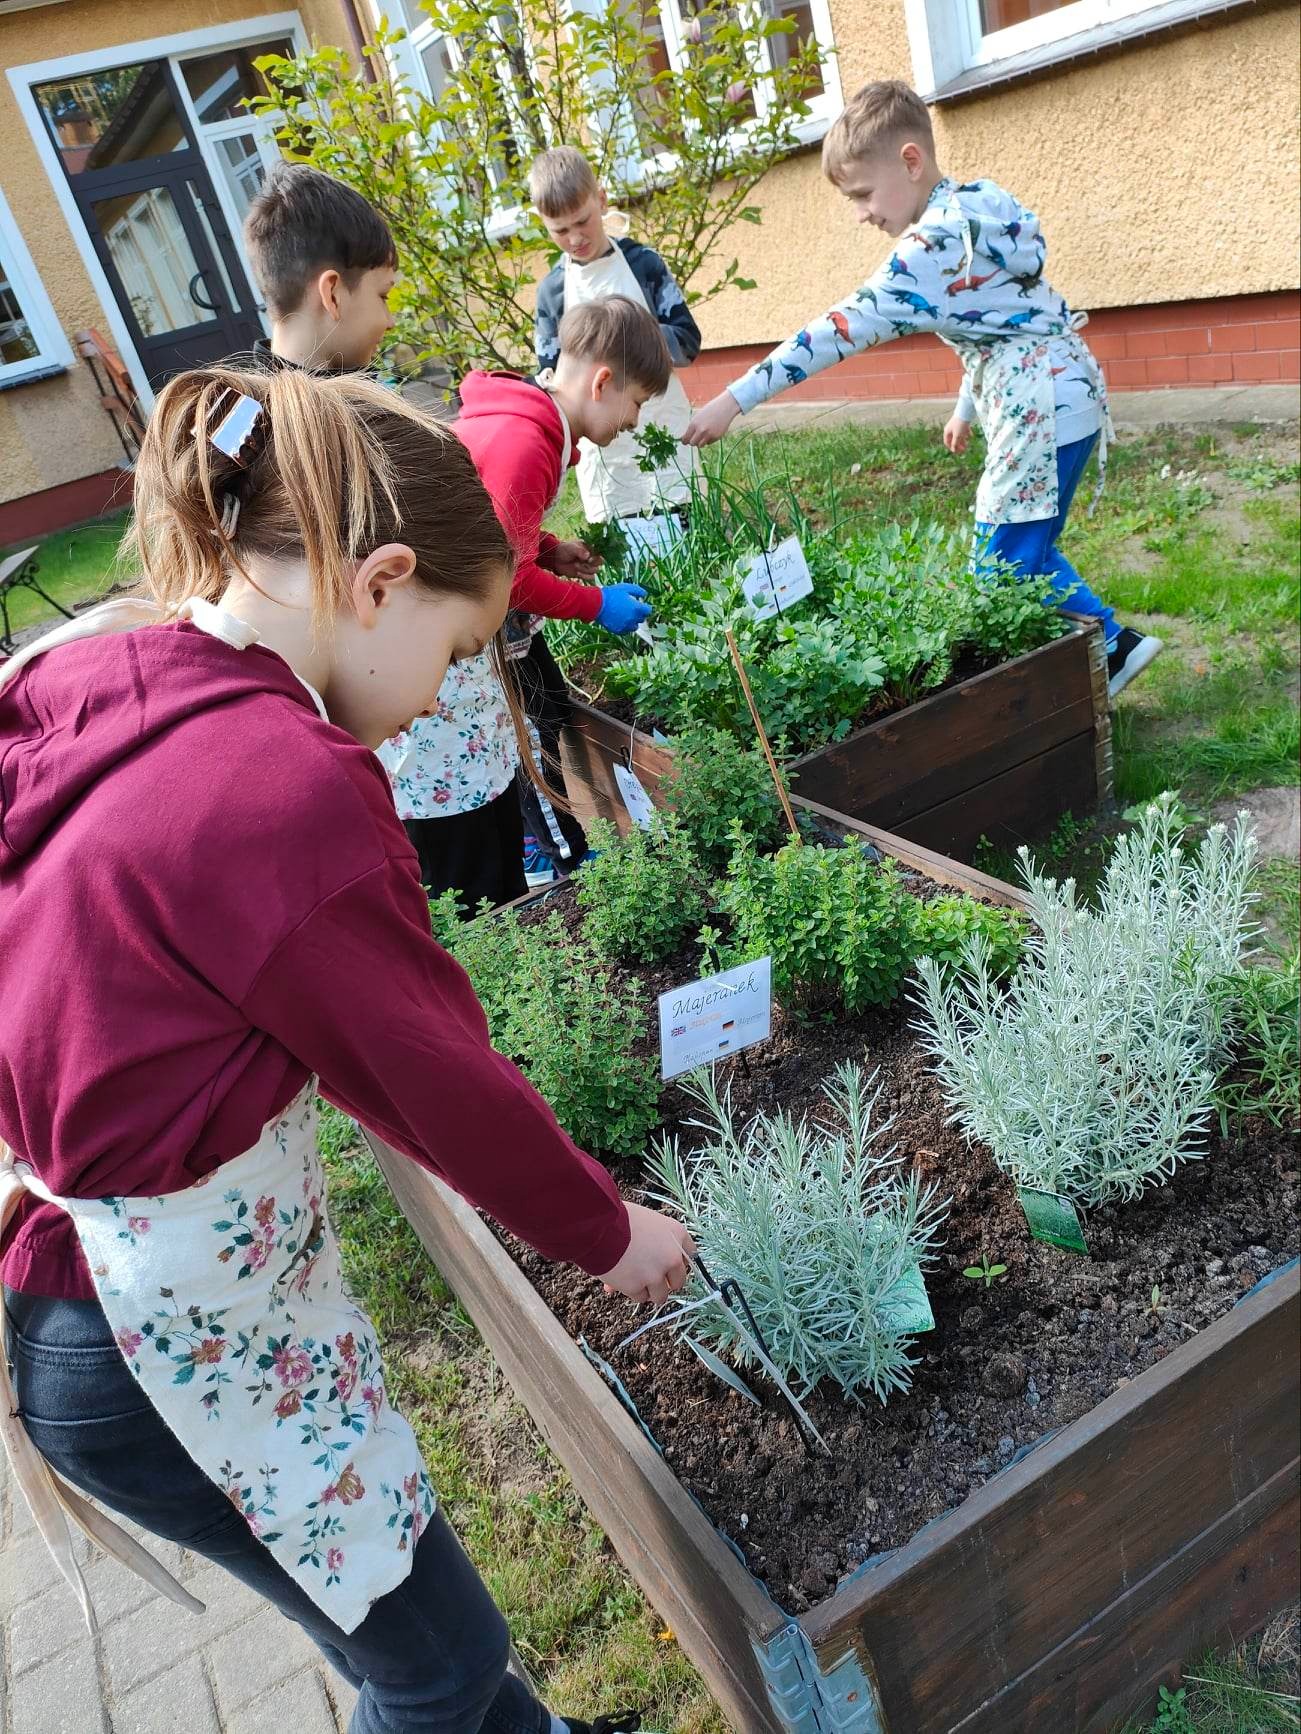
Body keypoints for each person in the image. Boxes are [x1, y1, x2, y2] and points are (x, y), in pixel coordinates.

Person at [0, 362, 692, 1734]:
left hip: (93, 1297)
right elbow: (436, 1076)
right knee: (432, 1661)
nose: (440, 700)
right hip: (159, 1344)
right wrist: (610, 1232)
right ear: (378, 582)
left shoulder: (95, 672)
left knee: (417, 1624)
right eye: (448, 654)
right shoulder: (286, 791)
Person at [683, 80, 1163, 701]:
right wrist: (967, 406)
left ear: (910, 161)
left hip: (1039, 409)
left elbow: (836, 329)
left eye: (862, 193)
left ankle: (1107, 648)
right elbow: (1000, 317)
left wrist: (734, 399)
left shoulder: (925, 250)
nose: (861, 213)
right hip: (1064, 390)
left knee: (1001, 562)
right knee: (1020, 547)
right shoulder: (978, 209)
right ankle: (1103, 651)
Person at [384, 296, 671, 903]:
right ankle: (554, 857)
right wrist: (595, 605)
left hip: (436, 637)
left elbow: (486, 524)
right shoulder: (528, 443)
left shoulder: (521, 423)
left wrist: (544, 546)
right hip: (445, 652)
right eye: (637, 403)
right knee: (506, 760)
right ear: (602, 382)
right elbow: (502, 579)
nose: (636, 422)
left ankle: (546, 848)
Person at [532, 146, 702, 527]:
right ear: (543, 224)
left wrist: (628, 337)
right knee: (624, 545)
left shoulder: (644, 265)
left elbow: (688, 343)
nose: (575, 238)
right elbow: (547, 374)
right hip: (603, 451)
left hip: (662, 424)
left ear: (602, 200)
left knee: (684, 533)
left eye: (583, 221)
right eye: (560, 230)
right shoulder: (553, 292)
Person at [243, 159, 399, 374]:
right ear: (332, 295)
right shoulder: (356, 406)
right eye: (383, 296)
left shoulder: (242, 405)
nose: (390, 322)